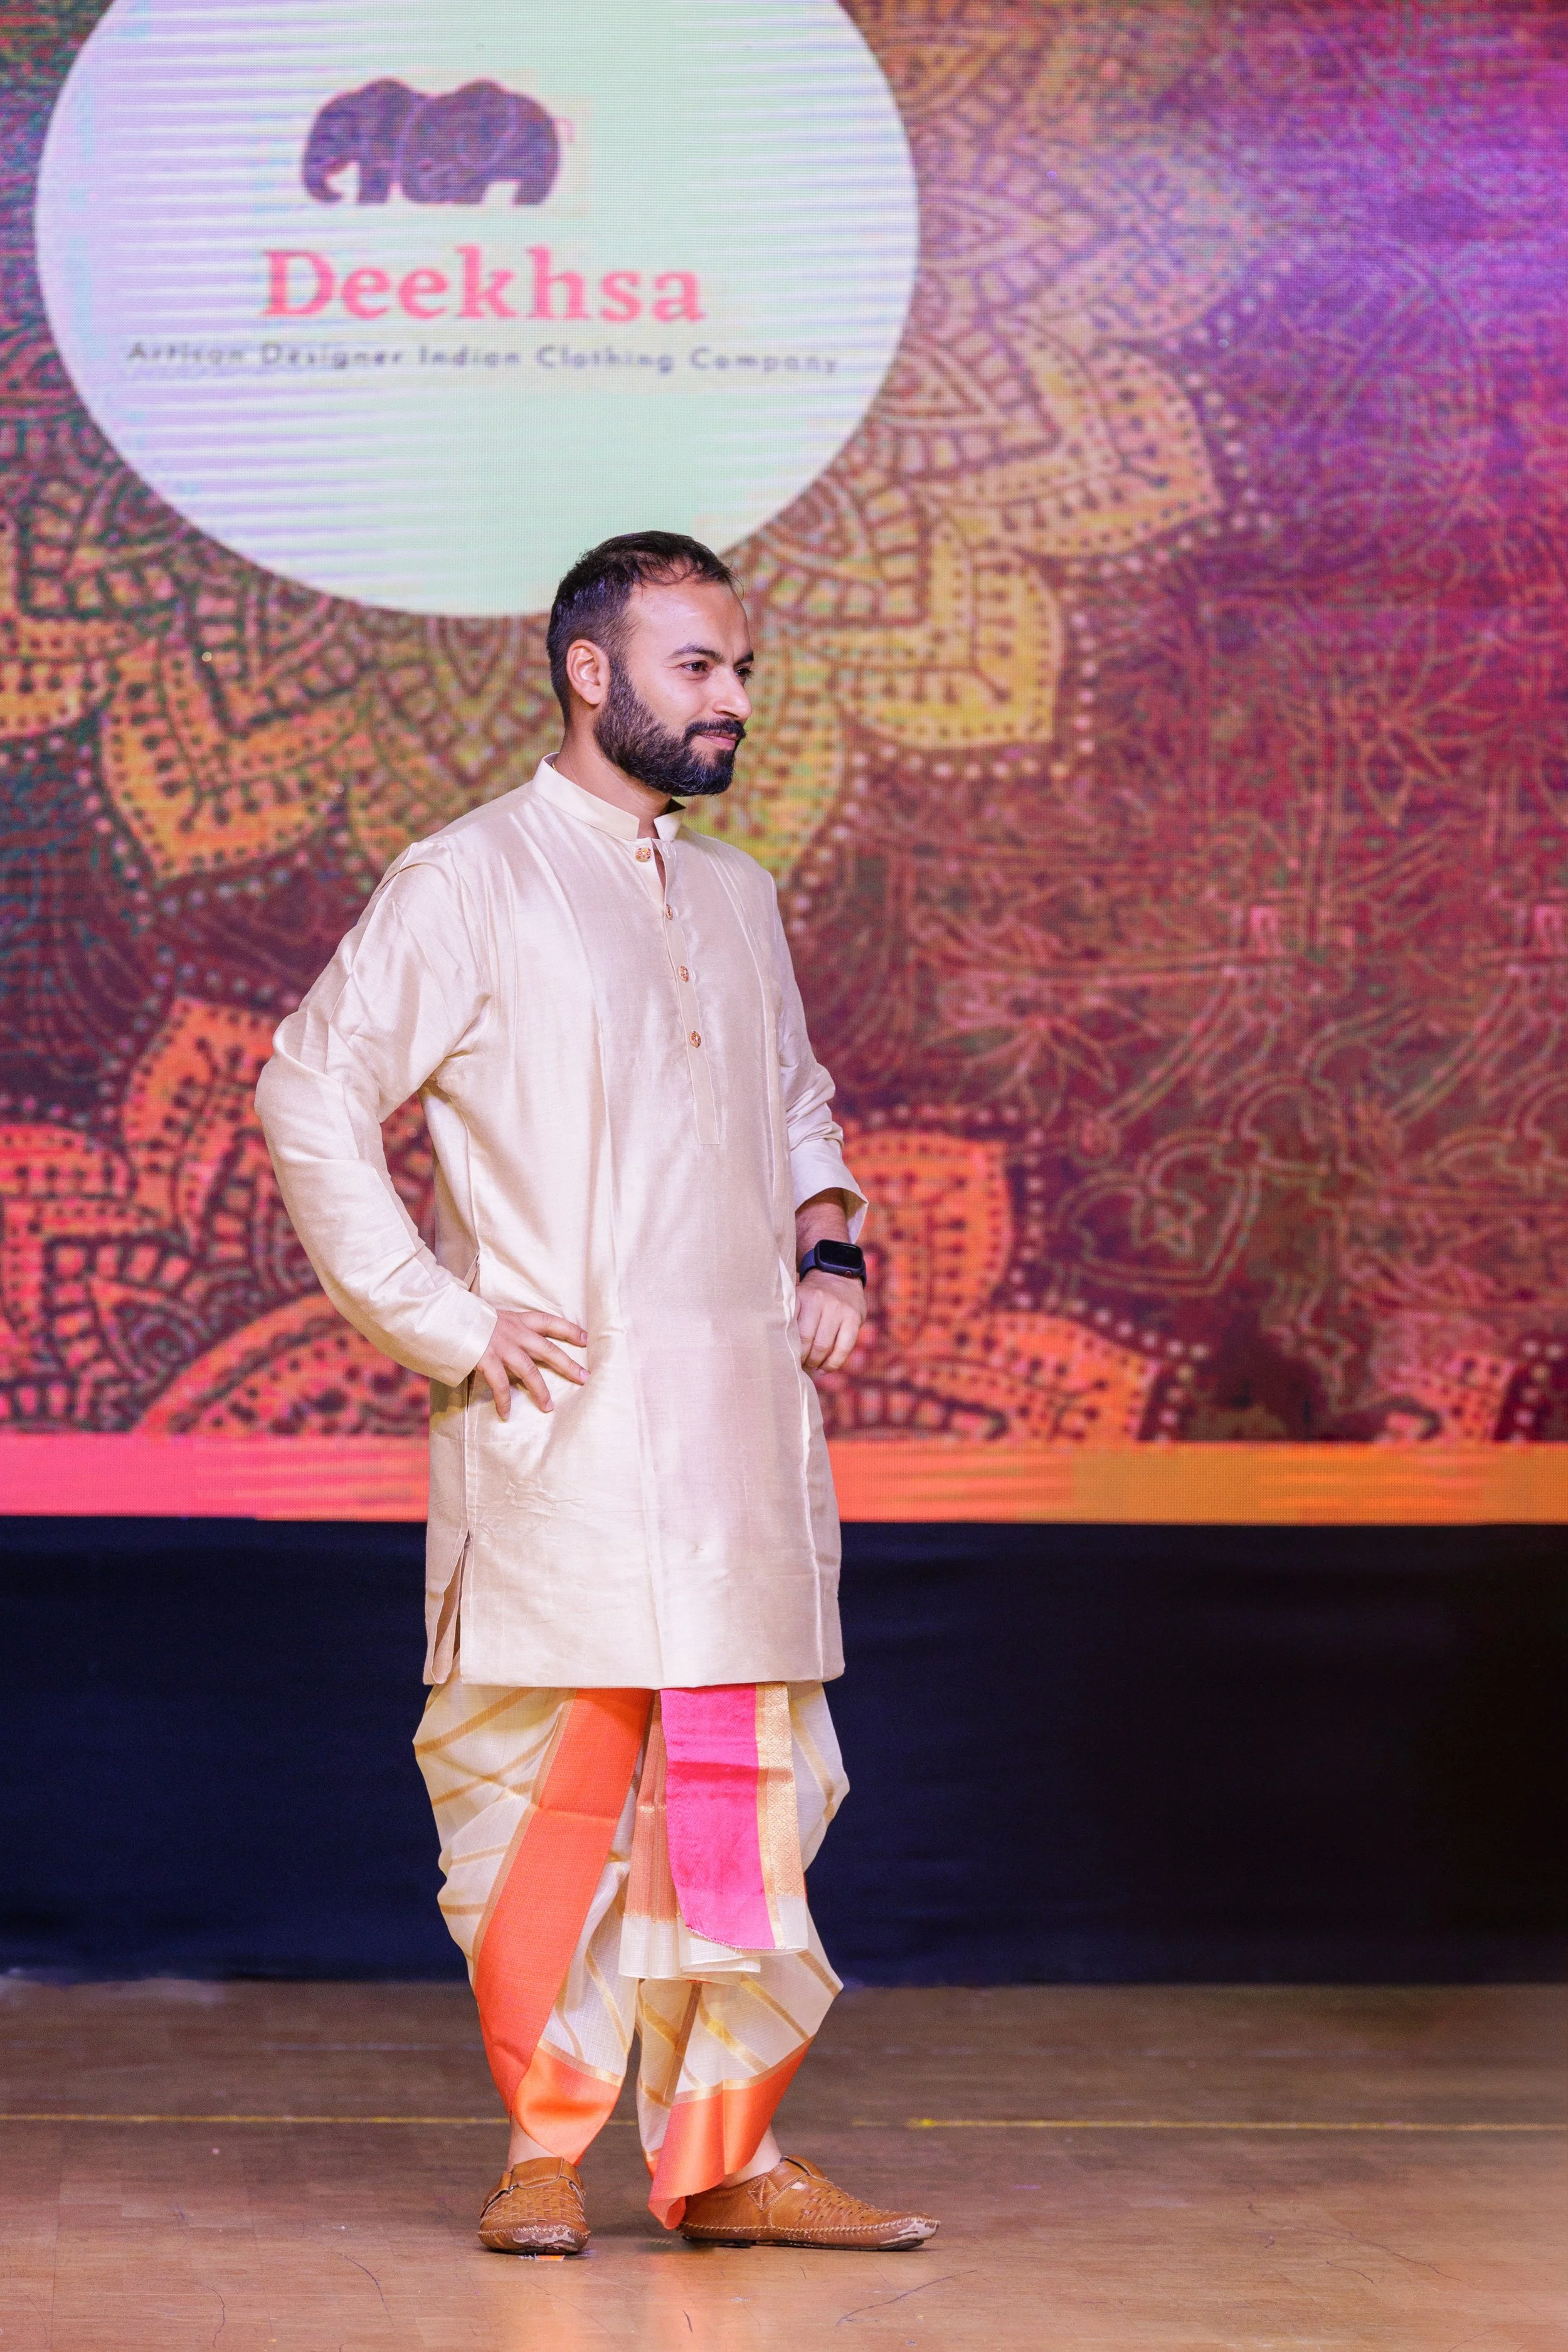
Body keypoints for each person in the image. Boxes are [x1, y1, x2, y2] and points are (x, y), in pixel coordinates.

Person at [255, 531, 938, 2257]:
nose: (729, 701)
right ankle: (543, 2147)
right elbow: (311, 1092)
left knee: (744, 1803)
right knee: (543, 1797)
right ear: (590, 670)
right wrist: (433, 1312)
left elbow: (795, 1101)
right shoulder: (468, 876)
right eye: (696, 667)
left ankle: (721, 2155)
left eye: (738, 671)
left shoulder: (733, 893)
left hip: (732, 1439)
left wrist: (829, 1251)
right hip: (559, 1434)